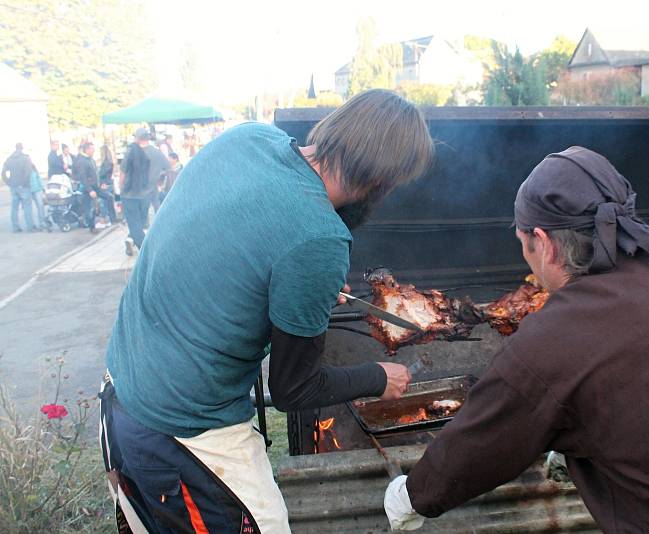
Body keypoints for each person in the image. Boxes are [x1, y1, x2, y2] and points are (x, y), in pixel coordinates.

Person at [384, 146, 649, 532]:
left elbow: (477, 445)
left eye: (524, 245)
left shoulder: (563, 332)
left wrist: (408, 499)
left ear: (543, 244)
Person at [101, 90, 434, 533]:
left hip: (119, 394)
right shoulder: (319, 236)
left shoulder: (244, 140)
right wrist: (379, 376)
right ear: (383, 181)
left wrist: (295, 286)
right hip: (182, 436)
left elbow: (226, 250)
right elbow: (294, 389)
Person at [119, 129, 158, 255]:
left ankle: (145, 248)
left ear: (136, 138)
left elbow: (123, 173)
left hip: (130, 194)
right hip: (145, 193)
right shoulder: (154, 152)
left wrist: (121, 188)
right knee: (141, 221)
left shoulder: (130, 151)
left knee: (134, 223)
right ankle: (133, 240)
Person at [2, 143, 35, 232]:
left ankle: (15, 227)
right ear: (22, 148)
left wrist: (9, 182)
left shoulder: (9, 159)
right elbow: (28, 172)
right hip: (23, 186)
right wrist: (24, 183)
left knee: (14, 208)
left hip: (13, 186)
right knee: (27, 207)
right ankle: (30, 227)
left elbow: (3, 173)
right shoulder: (25, 158)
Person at [97, 145, 117, 226]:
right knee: (110, 202)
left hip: (105, 183)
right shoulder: (110, 162)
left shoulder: (105, 163)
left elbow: (101, 174)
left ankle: (104, 219)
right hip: (109, 182)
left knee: (104, 202)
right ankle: (112, 218)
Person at [30, 164, 47, 229]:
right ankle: (41, 222)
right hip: (37, 190)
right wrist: (43, 188)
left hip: (30, 190)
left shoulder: (24, 171)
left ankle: (33, 224)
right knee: (40, 206)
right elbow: (39, 180)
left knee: (30, 208)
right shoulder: (34, 170)